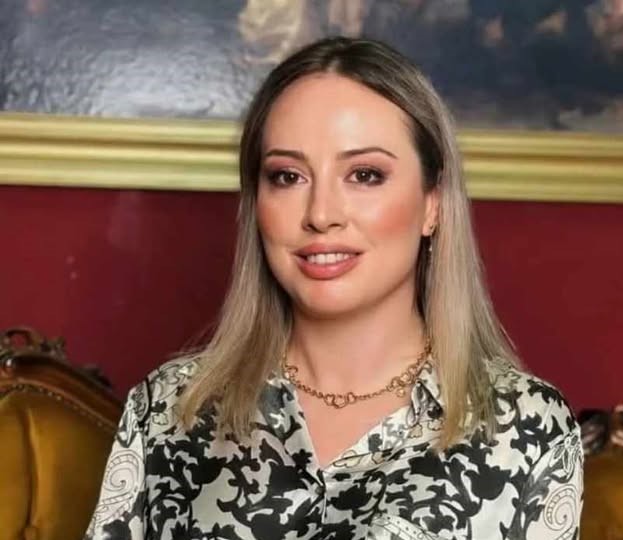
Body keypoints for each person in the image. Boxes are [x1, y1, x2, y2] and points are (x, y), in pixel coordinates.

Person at [85, 36, 583, 540]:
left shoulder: (526, 427)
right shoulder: (168, 409)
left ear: (432, 203)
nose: (321, 214)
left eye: (364, 175)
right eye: (287, 176)